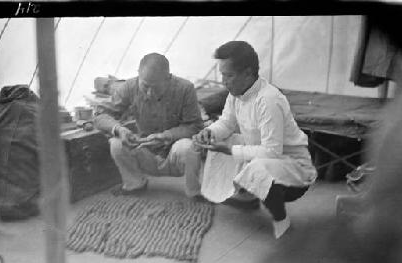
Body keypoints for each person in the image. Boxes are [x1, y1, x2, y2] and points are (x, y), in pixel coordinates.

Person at [193, 41, 317, 238]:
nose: (224, 81)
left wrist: (229, 150)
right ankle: (245, 195)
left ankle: (281, 220)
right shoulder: (236, 93)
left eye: (229, 75)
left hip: (295, 171)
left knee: (254, 163)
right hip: (268, 157)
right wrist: (209, 133)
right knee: (229, 138)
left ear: (248, 73)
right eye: (222, 75)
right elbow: (226, 122)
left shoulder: (268, 99)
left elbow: (272, 151)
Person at [94, 53, 204, 199]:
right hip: (145, 151)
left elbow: (195, 126)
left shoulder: (185, 88)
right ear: (138, 74)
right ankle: (134, 184)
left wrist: (167, 136)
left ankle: (194, 191)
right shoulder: (129, 86)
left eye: (156, 87)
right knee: (116, 143)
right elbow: (100, 115)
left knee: (189, 147)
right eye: (145, 86)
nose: (150, 93)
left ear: (168, 78)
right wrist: (119, 129)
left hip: (175, 154)